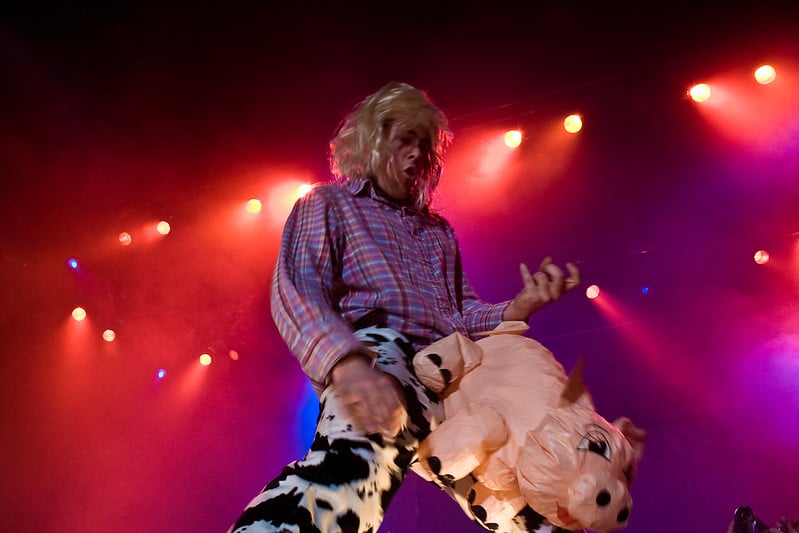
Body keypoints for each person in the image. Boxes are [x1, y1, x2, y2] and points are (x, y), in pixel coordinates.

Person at [229, 81, 581, 533]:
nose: (416, 154)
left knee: (528, 496)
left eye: (424, 146)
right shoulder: (329, 204)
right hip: (382, 355)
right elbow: (296, 290)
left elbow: (460, 313)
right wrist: (346, 365)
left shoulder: (437, 231)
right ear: (372, 142)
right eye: (404, 140)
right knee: (350, 478)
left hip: (455, 372)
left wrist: (517, 307)